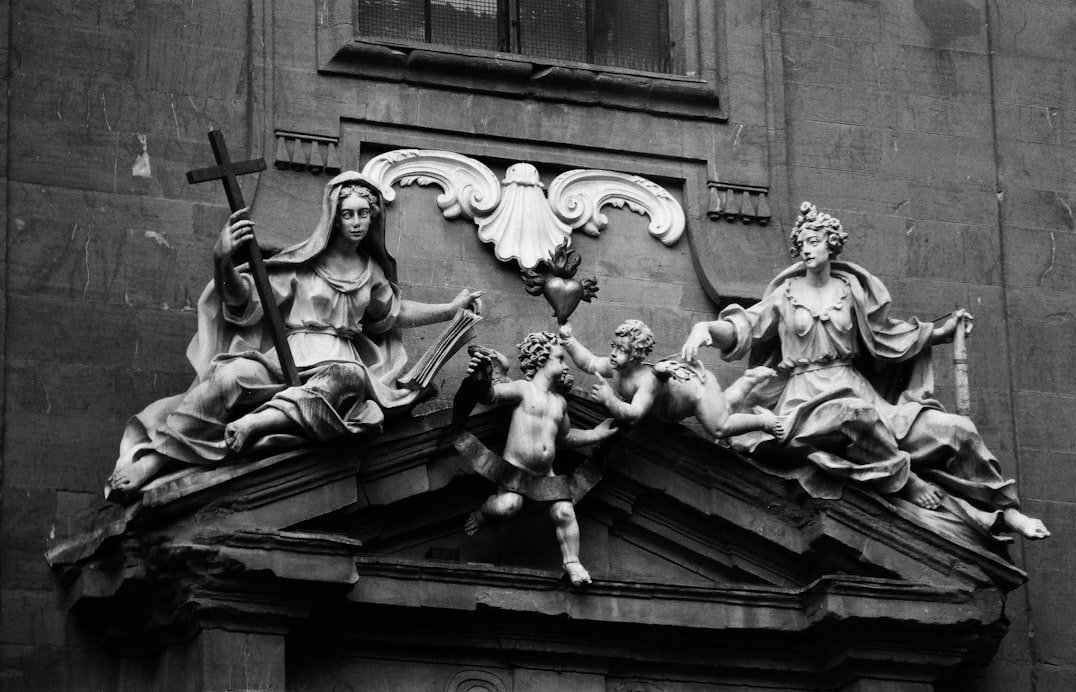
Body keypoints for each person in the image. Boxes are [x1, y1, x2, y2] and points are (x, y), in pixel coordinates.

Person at [680, 202, 1049, 542]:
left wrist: (941, 333)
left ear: (831, 245)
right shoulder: (785, 295)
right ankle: (908, 482)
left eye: (814, 241)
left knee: (958, 431)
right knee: (854, 416)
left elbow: (888, 337)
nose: (806, 248)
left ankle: (1008, 511)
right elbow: (746, 326)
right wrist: (708, 331)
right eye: (802, 243)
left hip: (856, 390)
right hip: (805, 402)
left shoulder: (850, 291)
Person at [107, 172, 482, 498]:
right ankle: (155, 459)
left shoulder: (371, 273)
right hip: (287, 356)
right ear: (334, 219)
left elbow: (393, 313)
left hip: (337, 362)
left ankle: (257, 423)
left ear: (373, 218)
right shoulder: (303, 266)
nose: (355, 222)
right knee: (226, 377)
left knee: (349, 378)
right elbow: (246, 301)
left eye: (363, 214)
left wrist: (449, 310)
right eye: (348, 214)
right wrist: (222, 259)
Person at [463, 332, 617, 585]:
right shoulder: (524, 389)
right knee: (508, 506)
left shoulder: (559, 403)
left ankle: (573, 563)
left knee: (565, 512)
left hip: (546, 474)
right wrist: (483, 376)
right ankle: (482, 514)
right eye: (560, 358)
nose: (566, 365)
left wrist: (595, 434)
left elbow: (565, 438)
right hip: (515, 471)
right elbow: (491, 396)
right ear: (541, 358)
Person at [559, 320, 783, 439]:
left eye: (622, 349)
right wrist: (569, 341)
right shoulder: (615, 366)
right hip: (676, 402)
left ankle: (764, 421)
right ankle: (749, 381)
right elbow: (589, 362)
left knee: (720, 427)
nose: (615, 353)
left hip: (696, 390)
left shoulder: (646, 381)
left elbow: (635, 414)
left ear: (637, 355)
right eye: (614, 347)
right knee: (724, 406)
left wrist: (610, 401)